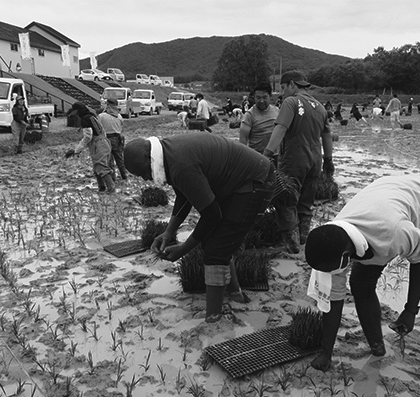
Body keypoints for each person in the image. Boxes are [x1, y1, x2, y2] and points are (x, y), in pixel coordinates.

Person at [304, 175, 420, 378]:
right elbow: (333, 301)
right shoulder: (329, 247)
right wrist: (326, 354)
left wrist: (410, 310)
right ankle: (377, 348)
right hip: (384, 197)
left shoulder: (393, 232)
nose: (331, 273)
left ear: (346, 256)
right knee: (361, 283)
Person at [123, 134, 275, 322]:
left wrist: (184, 249)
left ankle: (213, 318)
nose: (146, 178)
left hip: (256, 182)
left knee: (215, 250)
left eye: (143, 172)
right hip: (240, 182)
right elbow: (184, 195)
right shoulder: (169, 153)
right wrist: (169, 231)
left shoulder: (180, 164)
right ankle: (235, 294)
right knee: (218, 241)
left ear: (149, 158)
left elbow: (212, 215)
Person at [262, 70, 334, 253]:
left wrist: (267, 154)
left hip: (294, 160)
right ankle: (303, 240)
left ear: (292, 84)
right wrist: (328, 160)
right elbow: (327, 135)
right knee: (305, 202)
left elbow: (281, 128)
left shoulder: (291, 102)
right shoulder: (320, 106)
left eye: (284, 87)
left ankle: (292, 246)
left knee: (285, 200)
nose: (283, 92)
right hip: (315, 162)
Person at [65, 102, 115, 194]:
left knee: (101, 167)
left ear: (77, 111)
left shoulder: (85, 119)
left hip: (98, 144)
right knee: (98, 167)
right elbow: (102, 131)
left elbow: (88, 137)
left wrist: (77, 150)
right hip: (104, 142)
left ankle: (111, 188)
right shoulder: (92, 116)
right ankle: (102, 188)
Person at [239, 82, 280, 157]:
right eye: (258, 98)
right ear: (254, 98)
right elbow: (243, 140)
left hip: (276, 156)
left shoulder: (277, 111)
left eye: (264, 97)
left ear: (270, 96)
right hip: (257, 157)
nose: (261, 101)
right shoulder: (249, 115)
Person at [99, 98, 127, 181]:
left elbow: (98, 128)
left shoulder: (101, 116)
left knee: (109, 160)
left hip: (106, 139)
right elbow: (122, 124)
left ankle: (113, 178)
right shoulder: (119, 116)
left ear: (107, 105)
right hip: (118, 139)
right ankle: (124, 176)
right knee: (119, 159)